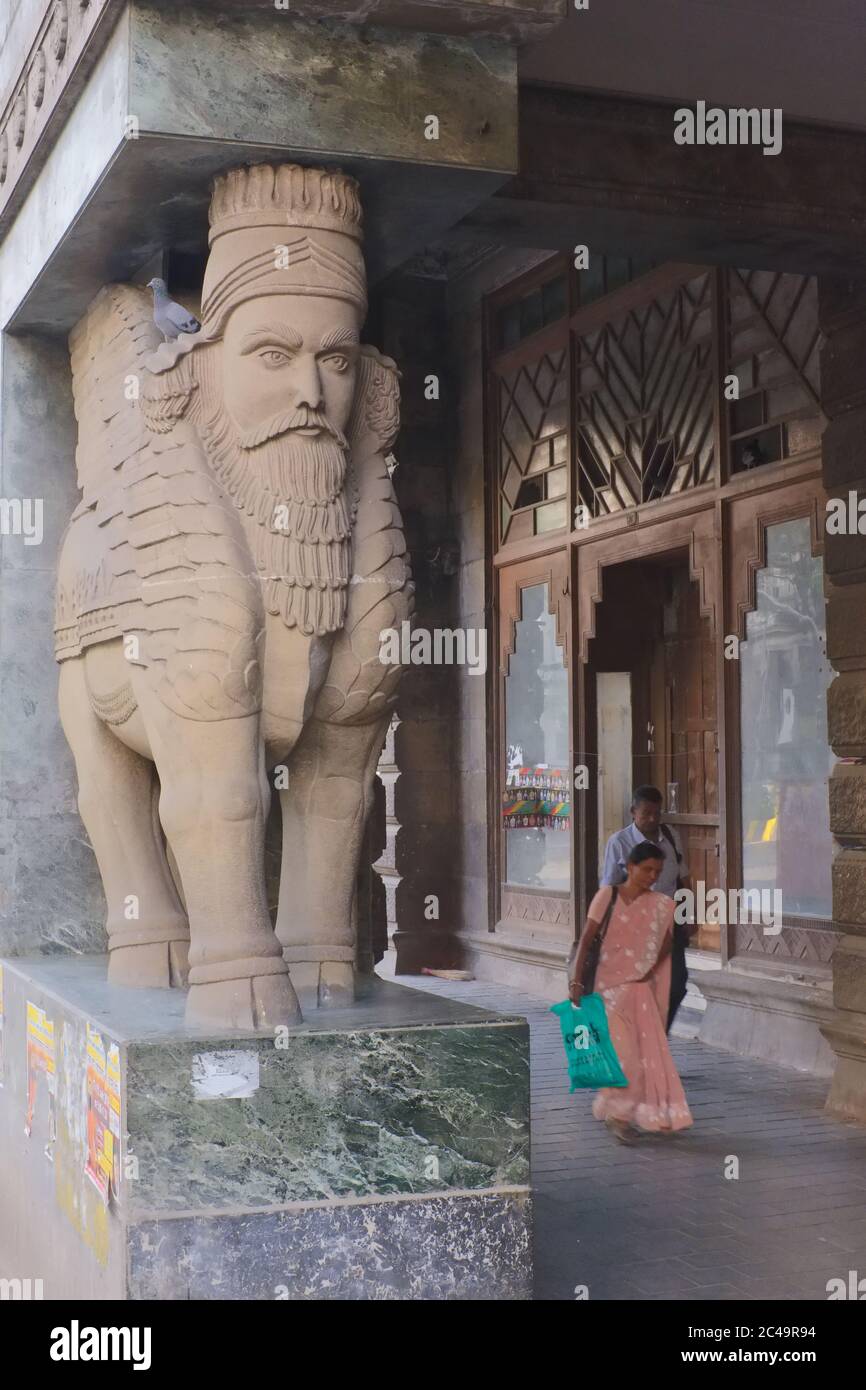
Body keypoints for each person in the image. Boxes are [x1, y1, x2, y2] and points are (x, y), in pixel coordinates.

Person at [569, 841, 693, 1143]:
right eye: (647, 869)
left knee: (643, 1053)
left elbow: (669, 941)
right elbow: (586, 939)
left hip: (640, 990)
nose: (652, 876)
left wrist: (650, 970)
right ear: (630, 866)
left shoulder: (661, 905)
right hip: (607, 989)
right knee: (624, 1054)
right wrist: (575, 980)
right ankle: (619, 1114)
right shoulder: (607, 896)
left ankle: (623, 1112)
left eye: (658, 871)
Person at [601, 784, 692, 1030]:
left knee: (676, 984)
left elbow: (683, 879)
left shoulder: (671, 837)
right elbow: (608, 889)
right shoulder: (619, 842)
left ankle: (655, 1039)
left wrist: (688, 915)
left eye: (657, 813)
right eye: (646, 814)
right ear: (633, 812)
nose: (652, 819)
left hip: (670, 925)